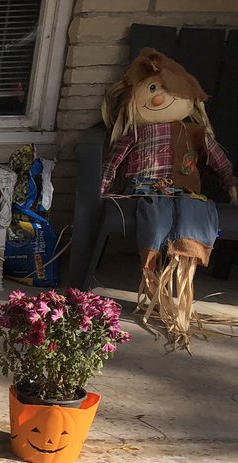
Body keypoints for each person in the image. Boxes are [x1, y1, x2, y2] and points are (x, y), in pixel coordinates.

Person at [101, 49, 237, 348]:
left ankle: (183, 265)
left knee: (194, 210)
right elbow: (112, 162)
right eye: (150, 90)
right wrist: (101, 189)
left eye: (164, 90)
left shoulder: (195, 132)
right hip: (145, 190)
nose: (158, 98)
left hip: (185, 192)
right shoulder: (136, 134)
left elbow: (220, 163)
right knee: (155, 210)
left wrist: (230, 183)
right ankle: (151, 272)